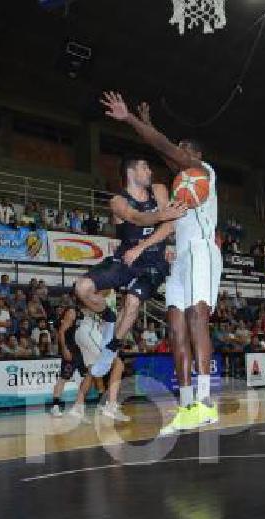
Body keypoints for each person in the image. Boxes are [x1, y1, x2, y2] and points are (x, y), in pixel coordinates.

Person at [100, 93, 222, 434]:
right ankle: (185, 407)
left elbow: (166, 148)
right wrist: (148, 127)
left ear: (194, 155)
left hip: (201, 251)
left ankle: (205, 402)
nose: (175, 155)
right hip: (181, 257)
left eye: (182, 150)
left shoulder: (201, 172)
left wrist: (132, 121)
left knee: (198, 315)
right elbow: (164, 150)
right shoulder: (180, 181)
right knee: (175, 326)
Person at [72, 150, 185, 389]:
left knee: (133, 302)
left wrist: (145, 244)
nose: (150, 171)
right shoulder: (117, 201)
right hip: (127, 258)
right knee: (82, 288)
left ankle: (110, 349)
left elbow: (169, 227)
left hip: (153, 261)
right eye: (145, 167)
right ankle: (109, 316)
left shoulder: (159, 189)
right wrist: (164, 214)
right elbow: (137, 218)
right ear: (131, 171)